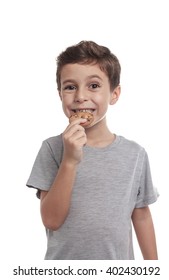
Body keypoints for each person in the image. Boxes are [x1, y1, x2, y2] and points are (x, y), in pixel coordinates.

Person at [26, 41, 159, 260]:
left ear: (114, 94)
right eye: (70, 87)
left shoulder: (135, 154)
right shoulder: (52, 148)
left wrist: (155, 269)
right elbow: (51, 220)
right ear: (60, 94)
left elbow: (141, 215)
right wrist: (69, 160)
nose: (80, 96)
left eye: (94, 86)